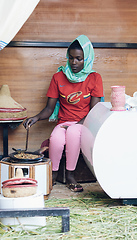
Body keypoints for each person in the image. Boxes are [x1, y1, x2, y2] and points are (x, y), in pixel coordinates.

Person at [23, 35, 104, 192]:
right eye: (71, 58)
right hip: (63, 122)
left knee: (73, 132)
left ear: (86, 59)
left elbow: (94, 111)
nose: (74, 62)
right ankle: (53, 175)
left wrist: (78, 125)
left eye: (79, 59)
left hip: (84, 123)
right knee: (57, 138)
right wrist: (36, 118)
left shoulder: (94, 78)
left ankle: (70, 175)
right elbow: (49, 108)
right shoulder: (58, 77)